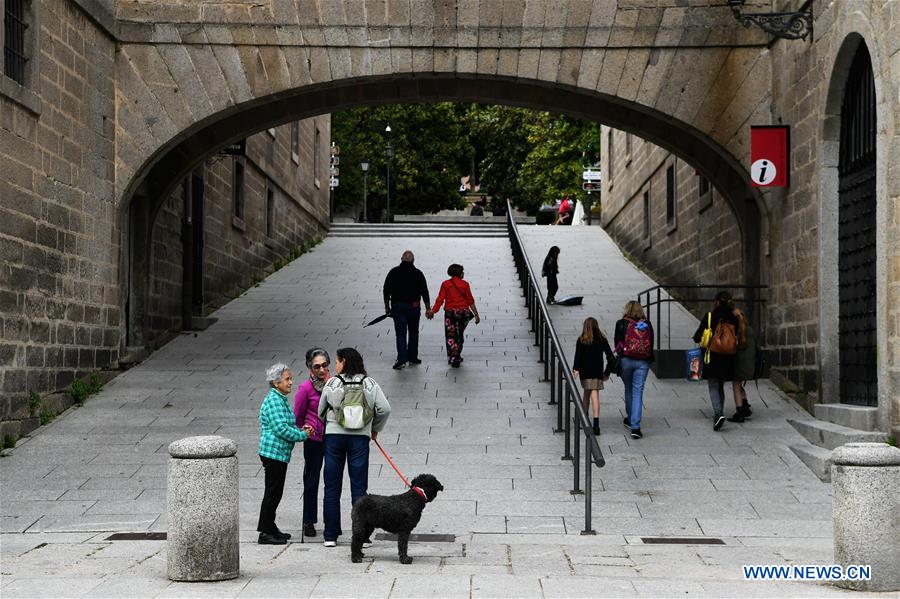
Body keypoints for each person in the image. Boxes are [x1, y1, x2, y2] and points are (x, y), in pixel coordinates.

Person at [318, 348, 391, 547]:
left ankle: (330, 535)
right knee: (359, 487)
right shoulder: (369, 383)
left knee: (331, 486)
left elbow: (321, 411)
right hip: (359, 438)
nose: (335, 365)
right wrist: (374, 429)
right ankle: (362, 536)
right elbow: (384, 409)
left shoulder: (332, 383)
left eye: (337, 361)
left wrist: (332, 423)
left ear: (343, 362)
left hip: (334, 438)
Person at [257, 363, 311, 545]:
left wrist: (300, 429)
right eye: (287, 379)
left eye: (290, 378)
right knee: (272, 493)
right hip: (273, 454)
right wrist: (303, 435)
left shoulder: (279, 398)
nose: (291, 382)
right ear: (276, 382)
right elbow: (281, 429)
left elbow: (287, 425)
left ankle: (270, 527)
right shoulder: (274, 400)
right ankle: (265, 532)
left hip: (279, 454)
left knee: (276, 492)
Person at [293, 348, 330, 538]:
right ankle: (309, 520)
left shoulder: (333, 384)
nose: (322, 370)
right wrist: (306, 429)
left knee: (331, 479)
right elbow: (297, 416)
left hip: (332, 437)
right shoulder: (305, 388)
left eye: (325, 365)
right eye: (317, 367)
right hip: (314, 440)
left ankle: (331, 521)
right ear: (310, 367)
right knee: (312, 479)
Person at [692, 290, 741, 431]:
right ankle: (719, 412)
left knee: (713, 384)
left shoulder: (710, 316)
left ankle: (718, 413)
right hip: (729, 357)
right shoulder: (734, 317)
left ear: (717, 301)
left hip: (711, 356)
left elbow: (697, 337)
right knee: (720, 384)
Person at [383, 250, 432, 370]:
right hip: (414, 307)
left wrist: (387, 306)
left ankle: (402, 359)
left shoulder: (393, 272)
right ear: (413, 260)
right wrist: (428, 308)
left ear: (401, 259)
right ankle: (413, 357)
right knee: (414, 332)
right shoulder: (418, 273)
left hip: (398, 306)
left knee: (400, 333)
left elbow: (386, 290)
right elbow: (424, 291)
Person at [614, 301, 654, 439]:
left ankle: (630, 419)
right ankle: (635, 427)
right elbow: (651, 345)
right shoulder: (647, 324)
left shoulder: (621, 323)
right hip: (643, 362)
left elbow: (617, 345)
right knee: (638, 392)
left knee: (628, 388)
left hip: (626, 361)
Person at [429, 264, 481, 368]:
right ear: (459, 273)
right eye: (462, 271)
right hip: (463, 313)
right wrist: (476, 314)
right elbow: (470, 300)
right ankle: (457, 354)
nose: (463, 273)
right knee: (459, 334)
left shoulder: (445, 284)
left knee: (451, 335)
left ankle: (453, 357)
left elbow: (440, 299)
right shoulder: (465, 284)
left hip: (450, 313)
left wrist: (433, 311)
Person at [573, 317, 615, 435]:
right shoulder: (602, 340)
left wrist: (575, 370)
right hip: (597, 373)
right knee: (593, 395)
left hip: (585, 373)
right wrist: (606, 372)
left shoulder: (581, 340)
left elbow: (578, 357)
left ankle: (585, 419)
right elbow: (610, 357)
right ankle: (595, 424)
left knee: (588, 394)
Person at [728, 307, 755, 423]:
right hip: (749, 365)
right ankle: (745, 407)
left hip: (740, 365)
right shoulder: (749, 330)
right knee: (740, 386)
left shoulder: (737, 332)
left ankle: (739, 412)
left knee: (736, 387)